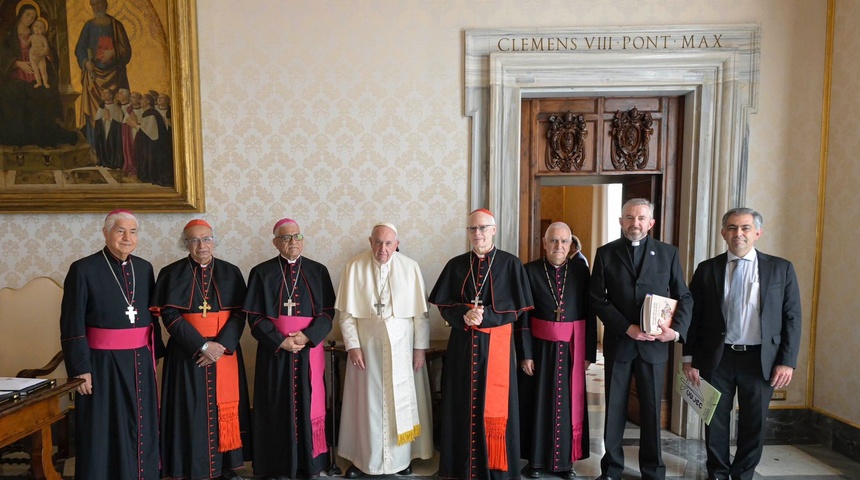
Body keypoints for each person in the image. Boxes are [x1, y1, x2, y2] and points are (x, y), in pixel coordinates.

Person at [683, 208, 801, 480]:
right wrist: (688, 358)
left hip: (761, 359)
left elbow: (792, 317)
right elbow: (694, 317)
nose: (739, 233)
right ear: (723, 233)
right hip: (717, 358)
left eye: (746, 228)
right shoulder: (706, 269)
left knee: (754, 423)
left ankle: (743, 474)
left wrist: (787, 360)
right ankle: (718, 473)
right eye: (733, 228)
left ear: (757, 233)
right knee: (714, 420)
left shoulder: (781, 268)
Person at [589, 198, 692, 480]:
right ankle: (611, 469)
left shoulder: (668, 253)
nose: (635, 223)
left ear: (651, 223)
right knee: (614, 409)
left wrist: (676, 331)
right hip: (620, 343)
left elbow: (683, 296)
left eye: (641, 218)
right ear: (621, 221)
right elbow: (597, 299)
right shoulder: (605, 253)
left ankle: (653, 471)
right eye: (629, 217)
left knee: (650, 411)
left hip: (655, 348)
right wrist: (628, 328)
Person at [428, 208, 534, 480]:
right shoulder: (456, 264)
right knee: (460, 403)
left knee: (495, 405)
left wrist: (487, 316)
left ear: (494, 230)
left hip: (496, 348)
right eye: (473, 229)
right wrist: (463, 314)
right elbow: (444, 305)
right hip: (463, 346)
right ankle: (459, 467)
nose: (478, 233)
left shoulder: (511, 264)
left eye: (483, 228)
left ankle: (497, 469)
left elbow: (517, 309)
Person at [59, 210, 163, 479]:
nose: (127, 238)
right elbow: (72, 324)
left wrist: (157, 353)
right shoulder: (83, 269)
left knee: (141, 425)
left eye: (133, 232)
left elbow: (152, 316)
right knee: (103, 428)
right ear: (106, 233)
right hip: (101, 364)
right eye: (120, 231)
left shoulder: (144, 267)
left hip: (140, 361)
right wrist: (81, 369)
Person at [152, 219, 250, 480]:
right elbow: (169, 314)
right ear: (185, 244)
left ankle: (225, 466)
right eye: (194, 240)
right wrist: (202, 346)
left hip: (225, 351)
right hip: (187, 351)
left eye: (206, 239)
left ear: (214, 241)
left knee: (224, 409)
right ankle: (187, 466)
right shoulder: (171, 273)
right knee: (189, 409)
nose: (201, 245)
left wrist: (221, 347)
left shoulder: (231, 272)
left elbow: (240, 314)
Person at [336, 223, 434, 478]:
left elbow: (421, 316)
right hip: (366, 349)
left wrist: (419, 349)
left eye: (389, 243)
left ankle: (403, 459)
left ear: (396, 243)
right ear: (370, 242)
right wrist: (353, 345)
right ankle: (363, 460)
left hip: (402, 350)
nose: (383, 249)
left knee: (401, 403)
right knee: (366, 405)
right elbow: (346, 314)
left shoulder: (410, 267)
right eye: (378, 242)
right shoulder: (354, 266)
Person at [244, 218, 336, 480]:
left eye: (297, 236)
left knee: (310, 405)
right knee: (274, 404)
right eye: (286, 238)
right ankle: (275, 465)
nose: (293, 242)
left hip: (309, 351)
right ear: (276, 243)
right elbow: (255, 317)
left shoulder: (318, 271)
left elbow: (328, 313)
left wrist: (307, 337)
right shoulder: (261, 272)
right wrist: (280, 341)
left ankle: (311, 463)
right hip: (275, 351)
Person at [517, 222, 596, 479]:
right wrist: (526, 353)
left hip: (572, 350)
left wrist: (588, 354)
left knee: (567, 405)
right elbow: (523, 317)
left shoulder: (581, 272)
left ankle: (565, 463)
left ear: (571, 244)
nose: (558, 246)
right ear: (544, 242)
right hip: (539, 350)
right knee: (537, 404)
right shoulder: (529, 271)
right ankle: (536, 462)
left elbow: (589, 313)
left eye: (564, 241)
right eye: (553, 241)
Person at [0, 1, 77, 147]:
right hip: (15, 76)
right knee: (10, 94)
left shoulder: (37, 33)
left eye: (33, 16)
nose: (30, 18)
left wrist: (48, 54)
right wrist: (17, 63)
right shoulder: (10, 35)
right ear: (20, 14)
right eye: (27, 14)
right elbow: (2, 55)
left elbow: (50, 52)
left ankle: (42, 138)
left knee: (44, 95)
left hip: (36, 75)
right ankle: (18, 139)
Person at [75, 0, 132, 148]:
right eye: (93, 4)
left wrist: (114, 51)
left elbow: (127, 50)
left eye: (99, 3)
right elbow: (80, 49)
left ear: (105, 5)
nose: (96, 7)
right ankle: (95, 149)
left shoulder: (116, 25)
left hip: (114, 75)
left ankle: (117, 150)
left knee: (116, 113)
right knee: (94, 114)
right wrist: (85, 62)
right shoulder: (88, 26)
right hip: (93, 77)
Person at [26, 17, 49, 88]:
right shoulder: (31, 37)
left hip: (41, 57)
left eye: (40, 28)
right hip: (33, 56)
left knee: (43, 71)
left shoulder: (43, 38)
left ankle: (45, 83)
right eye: (36, 26)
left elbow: (46, 47)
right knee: (36, 71)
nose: (37, 29)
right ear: (33, 28)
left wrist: (42, 53)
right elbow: (26, 44)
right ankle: (39, 83)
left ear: (44, 30)